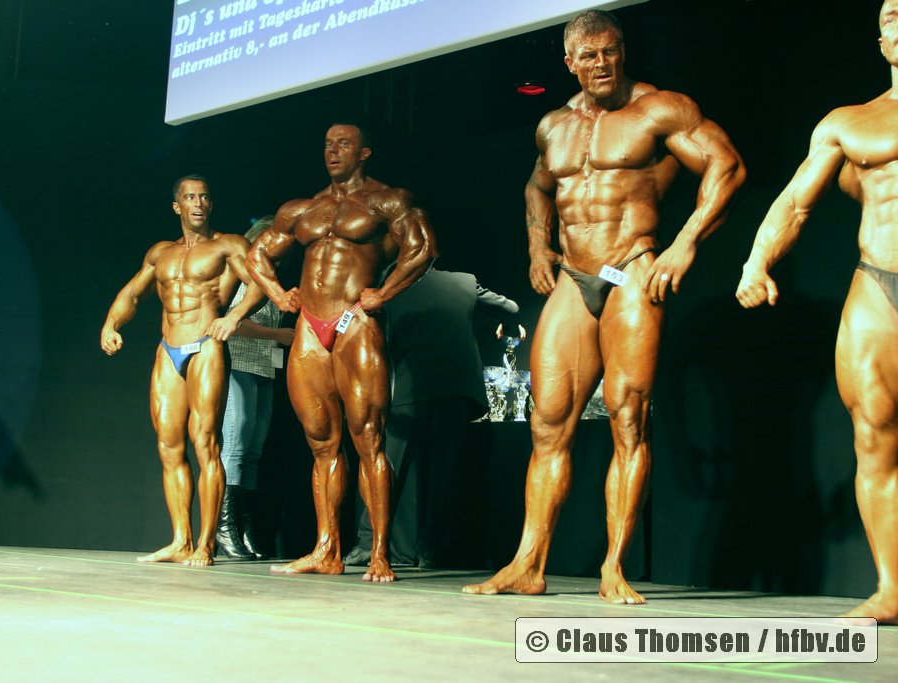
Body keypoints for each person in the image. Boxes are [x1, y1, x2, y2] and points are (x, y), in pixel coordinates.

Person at [464, 10, 746, 603]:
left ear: (622, 51)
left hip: (631, 268)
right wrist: (538, 246)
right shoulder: (553, 124)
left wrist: (684, 244)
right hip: (573, 276)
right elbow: (537, 186)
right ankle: (527, 564)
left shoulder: (658, 109)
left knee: (627, 418)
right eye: (588, 55)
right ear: (569, 62)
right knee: (547, 423)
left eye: (610, 51)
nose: (601, 63)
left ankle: (613, 567)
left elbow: (727, 165)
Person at [735, 0, 898, 625]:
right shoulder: (849, 123)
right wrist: (756, 262)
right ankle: (891, 589)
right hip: (878, 283)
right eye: (889, 15)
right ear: (878, 38)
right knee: (873, 434)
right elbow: (795, 203)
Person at [246, 123, 437, 582]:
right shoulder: (302, 209)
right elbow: (257, 254)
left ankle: (378, 553)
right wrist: (278, 294)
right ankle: (326, 549)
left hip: (356, 322)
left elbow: (423, 247)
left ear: (364, 152)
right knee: (321, 443)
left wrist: (384, 293)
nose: (333, 151)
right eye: (328, 144)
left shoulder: (386, 200)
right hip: (310, 328)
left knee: (368, 438)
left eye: (343, 144)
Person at [100, 174, 266, 567]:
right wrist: (111, 323)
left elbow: (261, 284)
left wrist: (233, 317)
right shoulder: (160, 253)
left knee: (205, 443)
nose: (198, 203)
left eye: (204, 197)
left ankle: (206, 544)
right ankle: (180, 540)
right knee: (168, 446)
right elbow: (132, 292)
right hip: (168, 350)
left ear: (211, 204)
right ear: (177, 206)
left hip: (205, 346)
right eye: (190, 197)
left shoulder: (228, 245)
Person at [344, 267, 522, 569]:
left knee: (387, 469)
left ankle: (367, 543)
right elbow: (512, 307)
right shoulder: (465, 281)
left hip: (410, 388)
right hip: (456, 390)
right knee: (443, 475)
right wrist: (510, 325)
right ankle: (431, 551)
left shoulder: (390, 286)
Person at [217, 217, 295, 560]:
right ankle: (225, 529)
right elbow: (234, 323)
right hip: (238, 365)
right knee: (235, 447)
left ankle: (245, 528)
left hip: (264, 369)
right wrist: (278, 335)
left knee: (253, 451)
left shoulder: (271, 280)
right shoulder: (241, 273)